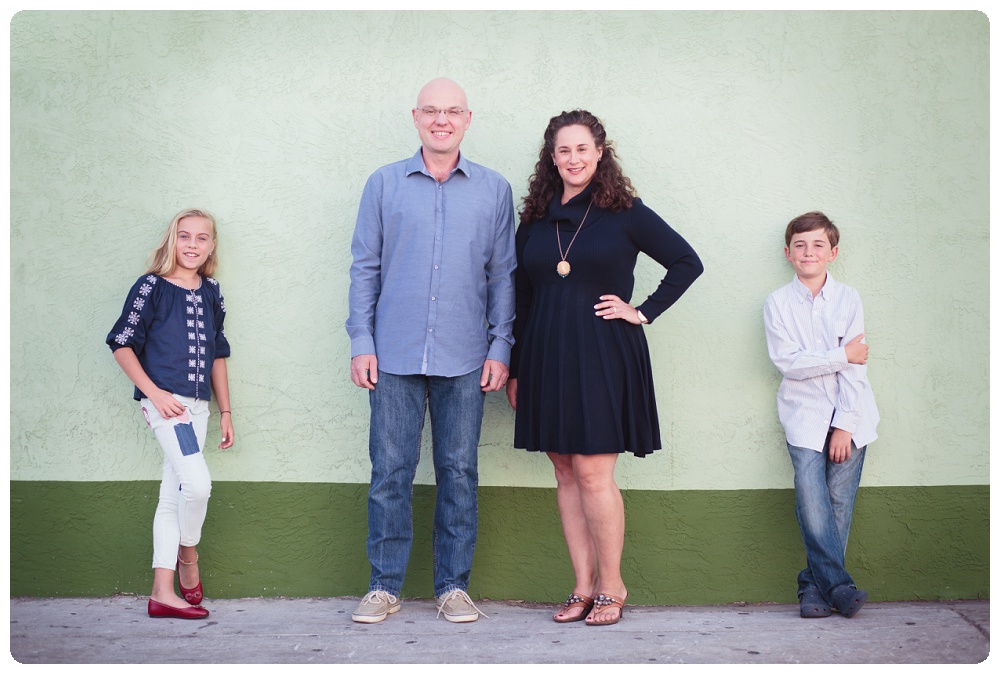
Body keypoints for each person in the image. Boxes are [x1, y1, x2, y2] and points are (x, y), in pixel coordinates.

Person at [505, 110, 703, 626]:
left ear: (600, 153)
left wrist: (642, 311)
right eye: (563, 151)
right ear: (552, 158)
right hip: (546, 352)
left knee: (594, 472)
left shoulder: (625, 212)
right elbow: (522, 298)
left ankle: (613, 587)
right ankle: (582, 587)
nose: (573, 159)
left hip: (601, 353)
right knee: (565, 471)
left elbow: (687, 262)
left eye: (582, 150)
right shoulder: (535, 218)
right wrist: (516, 368)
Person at [346, 77, 516, 624]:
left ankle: (452, 587)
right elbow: (364, 268)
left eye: (452, 112)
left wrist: (501, 344)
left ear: (468, 118)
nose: (441, 120)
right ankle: (384, 586)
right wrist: (361, 340)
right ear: (415, 117)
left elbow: (503, 276)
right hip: (392, 354)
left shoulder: (494, 189)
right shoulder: (383, 184)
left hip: (466, 356)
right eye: (431, 111)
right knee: (390, 471)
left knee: (459, 471)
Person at [106, 208, 234, 620]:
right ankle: (188, 553)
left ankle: (162, 592)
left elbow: (217, 352)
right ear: (171, 240)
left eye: (202, 237)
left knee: (172, 493)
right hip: (169, 407)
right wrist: (155, 394)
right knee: (196, 486)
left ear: (212, 245)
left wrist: (226, 411)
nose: (192, 244)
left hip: (199, 408)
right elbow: (122, 343)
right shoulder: (152, 287)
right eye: (184, 236)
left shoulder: (212, 290)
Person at [763, 211, 879, 619]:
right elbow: (789, 363)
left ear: (833, 252)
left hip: (852, 415)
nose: (808, 252)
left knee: (838, 503)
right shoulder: (777, 304)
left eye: (817, 245)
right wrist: (840, 354)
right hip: (803, 415)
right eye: (800, 245)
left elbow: (856, 365)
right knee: (813, 503)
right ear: (788, 253)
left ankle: (814, 589)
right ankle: (839, 587)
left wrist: (846, 423)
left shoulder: (849, 299)